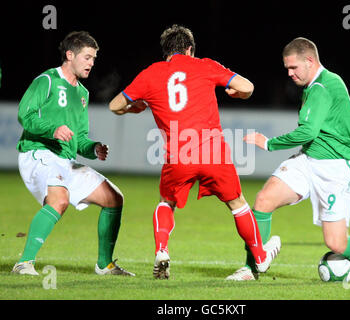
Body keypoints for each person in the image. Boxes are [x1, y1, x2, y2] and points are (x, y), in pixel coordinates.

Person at [109, 24, 281, 279]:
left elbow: (114, 105)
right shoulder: (205, 65)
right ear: (189, 49)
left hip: (179, 154)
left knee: (166, 202)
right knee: (237, 203)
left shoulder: (151, 73)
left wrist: (130, 109)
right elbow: (248, 87)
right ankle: (260, 257)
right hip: (213, 152)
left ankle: (162, 250)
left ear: (166, 51)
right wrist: (237, 93)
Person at [227, 37, 350, 284]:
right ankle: (250, 268)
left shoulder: (322, 87)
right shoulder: (320, 84)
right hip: (309, 160)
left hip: (335, 168)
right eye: (287, 68)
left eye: (293, 67)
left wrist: (268, 143)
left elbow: (308, 132)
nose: (289, 73)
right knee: (264, 200)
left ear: (310, 60)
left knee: (336, 243)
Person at [12, 31, 134, 276]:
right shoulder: (46, 80)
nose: (91, 63)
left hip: (65, 160)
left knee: (114, 198)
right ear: (70, 55)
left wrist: (94, 148)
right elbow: (24, 115)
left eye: (93, 58)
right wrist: (53, 129)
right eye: (87, 57)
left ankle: (105, 264)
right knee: (59, 200)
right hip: (38, 152)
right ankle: (23, 263)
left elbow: (78, 139)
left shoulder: (83, 94)